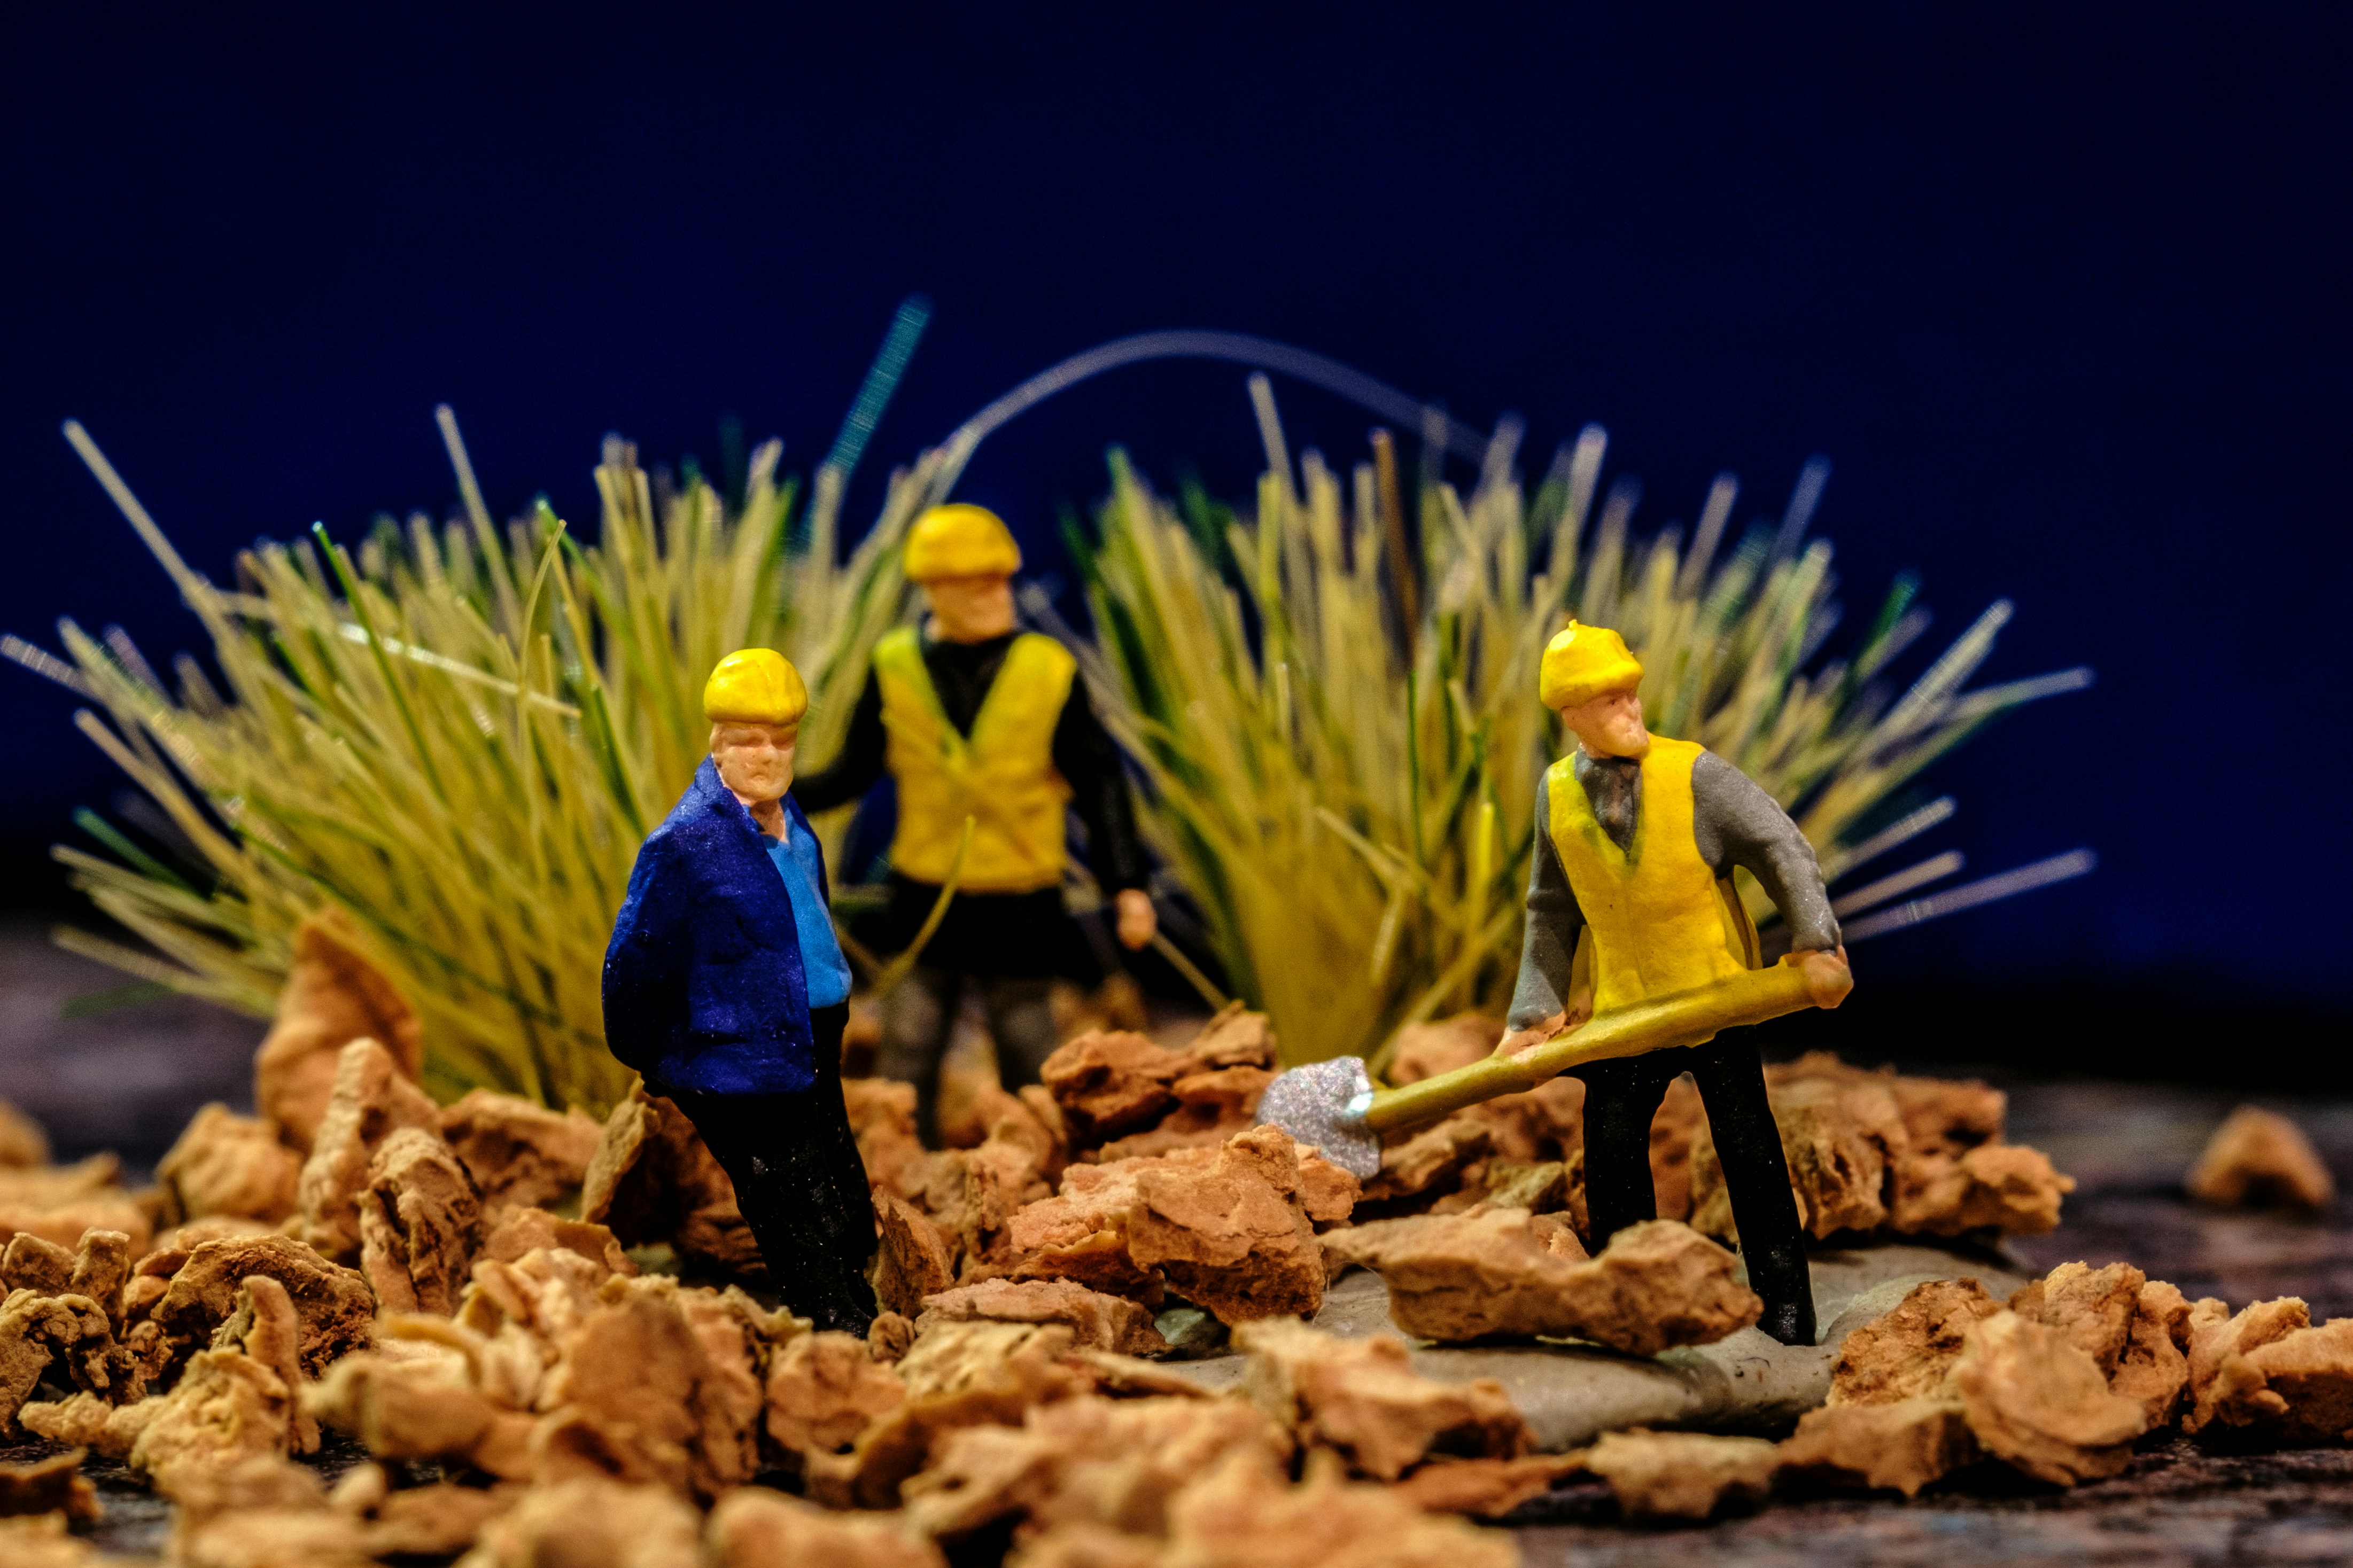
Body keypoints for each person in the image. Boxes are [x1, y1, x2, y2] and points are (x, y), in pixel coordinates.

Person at [1496, 620, 1852, 1346]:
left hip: (1715, 1001)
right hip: (1625, 1016)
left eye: (1629, 693)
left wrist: (1816, 940)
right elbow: (1550, 910)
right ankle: (1633, 1304)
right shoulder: (1555, 793)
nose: (1628, 709)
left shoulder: (1694, 774)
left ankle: (1784, 1312)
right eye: (1608, 699)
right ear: (1570, 712)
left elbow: (1777, 844)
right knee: (1612, 1155)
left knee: (1750, 1158)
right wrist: (1531, 1014)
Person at [794, 503, 1156, 1145]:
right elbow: (854, 768)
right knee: (909, 1039)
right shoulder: (894, 663)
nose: (997, 594)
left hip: (1019, 893)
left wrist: (1126, 883)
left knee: (1025, 1039)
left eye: (1001, 579)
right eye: (977, 582)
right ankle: (909, 1163)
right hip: (923, 889)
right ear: (936, 589)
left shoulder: (1047, 670)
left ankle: (1040, 1159)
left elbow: (1100, 782)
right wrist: (778, 793)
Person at [601, 648, 875, 1333]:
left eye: (782, 740)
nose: (768, 756)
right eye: (749, 740)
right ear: (717, 744)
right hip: (743, 1050)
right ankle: (832, 1321)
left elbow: (807, 911)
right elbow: (637, 957)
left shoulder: (794, 823)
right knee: (785, 1187)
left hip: (818, 1023)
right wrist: (649, 1055)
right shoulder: (686, 844)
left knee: (838, 1174)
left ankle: (858, 1290)